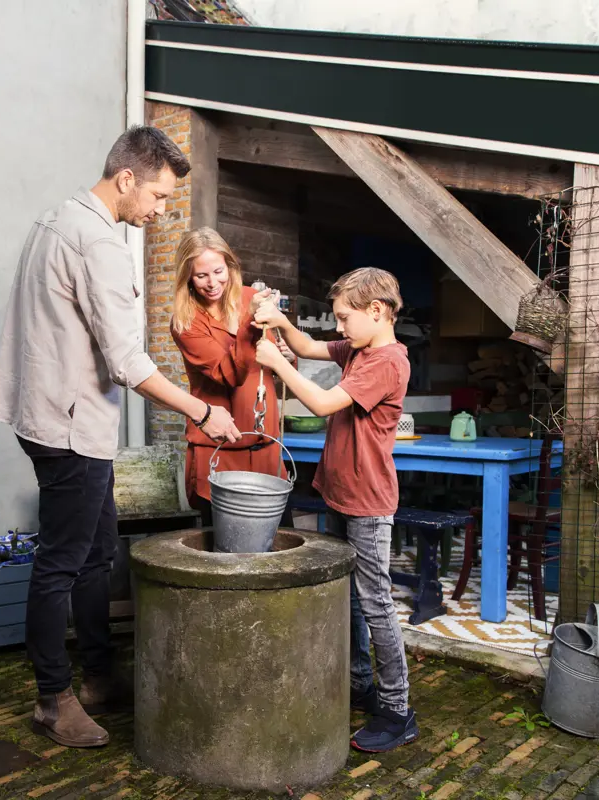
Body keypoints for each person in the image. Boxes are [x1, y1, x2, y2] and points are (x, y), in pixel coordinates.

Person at [0, 126, 242, 749]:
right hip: (70, 428)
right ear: (126, 179)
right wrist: (202, 412)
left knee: (97, 552)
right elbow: (129, 363)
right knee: (63, 561)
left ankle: (99, 675)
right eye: (156, 197)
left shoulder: (55, 219)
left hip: (49, 416)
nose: (159, 213)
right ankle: (54, 699)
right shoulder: (98, 243)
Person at [252, 266, 418, 753]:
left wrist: (276, 364)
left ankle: (396, 709)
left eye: (346, 318)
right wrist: (281, 326)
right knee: (351, 598)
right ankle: (361, 683)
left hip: (368, 500)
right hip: (343, 492)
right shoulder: (361, 349)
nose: (339, 328)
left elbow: (324, 403)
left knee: (376, 605)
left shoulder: (386, 362)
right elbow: (308, 348)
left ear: (377, 311)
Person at [169, 228, 296, 526]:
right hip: (218, 454)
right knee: (225, 558)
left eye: (218, 271)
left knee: (280, 553)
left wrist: (287, 357)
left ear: (230, 266)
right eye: (201, 275)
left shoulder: (250, 298)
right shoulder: (186, 322)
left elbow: (272, 364)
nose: (213, 283)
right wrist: (249, 328)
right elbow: (229, 374)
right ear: (187, 276)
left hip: (266, 449)